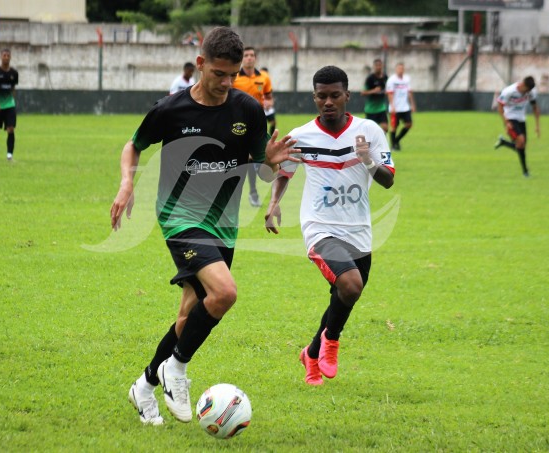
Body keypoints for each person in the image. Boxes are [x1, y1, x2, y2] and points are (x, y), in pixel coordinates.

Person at [110, 27, 299, 425]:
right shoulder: (171, 109)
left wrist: (271, 161)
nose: (226, 83)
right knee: (225, 293)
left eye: (232, 75)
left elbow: (262, 174)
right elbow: (134, 144)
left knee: (191, 311)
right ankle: (175, 370)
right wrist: (127, 183)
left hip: (224, 223)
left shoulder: (247, 109)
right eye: (218, 74)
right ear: (200, 65)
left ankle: (143, 387)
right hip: (180, 216)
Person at [264, 66, 395, 386]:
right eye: (321, 96)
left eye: (335, 95)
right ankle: (331, 344)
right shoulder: (301, 136)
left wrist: (368, 160)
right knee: (350, 285)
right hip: (320, 226)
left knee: (345, 295)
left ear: (347, 96)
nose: (328, 102)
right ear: (314, 97)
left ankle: (311, 353)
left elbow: (388, 180)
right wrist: (273, 204)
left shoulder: (370, 132)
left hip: (359, 229)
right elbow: (284, 173)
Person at [233, 47, 274, 207]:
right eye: (246, 55)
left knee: (251, 158)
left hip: (257, 123)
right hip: (237, 123)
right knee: (241, 158)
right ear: (242, 59)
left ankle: (253, 192)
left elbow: (269, 97)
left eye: (252, 55)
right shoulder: (235, 77)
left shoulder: (264, 78)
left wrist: (269, 103)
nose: (249, 58)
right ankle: (248, 191)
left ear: (255, 58)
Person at [494, 76, 540, 177]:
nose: (527, 93)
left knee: (521, 146)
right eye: (526, 90)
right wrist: (506, 122)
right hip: (510, 118)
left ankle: (504, 143)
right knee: (521, 141)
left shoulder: (531, 92)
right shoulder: (509, 91)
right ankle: (525, 172)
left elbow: (535, 107)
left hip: (521, 119)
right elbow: (500, 106)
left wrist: (537, 125)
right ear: (523, 84)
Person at [386, 63, 416, 151]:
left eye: (402, 68)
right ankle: (393, 145)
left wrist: (412, 104)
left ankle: (396, 141)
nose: (401, 70)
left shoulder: (406, 79)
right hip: (395, 108)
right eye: (399, 68)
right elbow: (390, 94)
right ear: (396, 69)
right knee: (394, 127)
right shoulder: (392, 80)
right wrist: (392, 106)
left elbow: (409, 92)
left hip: (405, 107)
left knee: (409, 124)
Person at [361, 58, 389, 133]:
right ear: (374, 66)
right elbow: (363, 92)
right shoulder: (370, 78)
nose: (378, 67)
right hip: (371, 109)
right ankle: (373, 142)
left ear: (382, 66)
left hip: (381, 108)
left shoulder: (385, 77)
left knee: (385, 128)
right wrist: (373, 91)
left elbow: (388, 88)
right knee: (370, 131)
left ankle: (381, 142)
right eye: (376, 65)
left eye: (379, 65)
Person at [260, 66, 277, 136]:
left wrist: (271, 103)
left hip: (268, 108)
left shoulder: (268, 83)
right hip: (261, 107)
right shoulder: (258, 82)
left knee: (273, 122)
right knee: (261, 125)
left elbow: (270, 96)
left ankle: (271, 136)